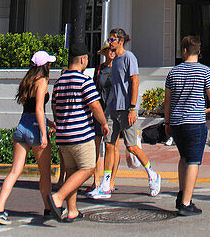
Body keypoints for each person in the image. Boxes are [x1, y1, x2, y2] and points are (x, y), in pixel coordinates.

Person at [164, 35, 210, 217]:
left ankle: (182, 194)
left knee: (183, 157)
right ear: (198, 52)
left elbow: (167, 101)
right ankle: (186, 202)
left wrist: (167, 122)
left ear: (184, 51)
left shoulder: (173, 72)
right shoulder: (204, 72)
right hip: (195, 122)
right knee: (194, 160)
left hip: (176, 122)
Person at [92, 28, 161, 200]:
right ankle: (106, 184)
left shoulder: (129, 57)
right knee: (109, 144)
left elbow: (135, 82)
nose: (110, 42)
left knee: (131, 146)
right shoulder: (114, 60)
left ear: (121, 41)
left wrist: (132, 107)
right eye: (110, 39)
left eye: (113, 39)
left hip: (125, 108)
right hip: (111, 108)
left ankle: (152, 174)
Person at [0, 50, 56, 224]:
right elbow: (39, 109)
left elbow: (30, 109)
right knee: (45, 174)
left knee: (14, 171)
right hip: (35, 128)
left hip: (22, 126)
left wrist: (48, 123)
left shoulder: (28, 81)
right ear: (46, 66)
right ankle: (49, 208)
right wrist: (43, 133)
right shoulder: (42, 82)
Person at [48, 50, 110, 223]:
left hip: (63, 135)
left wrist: (59, 123)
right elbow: (94, 105)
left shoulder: (59, 82)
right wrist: (104, 123)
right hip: (81, 134)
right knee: (88, 168)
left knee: (72, 171)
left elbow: (54, 107)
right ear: (82, 59)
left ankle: (73, 210)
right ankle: (58, 198)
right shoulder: (84, 81)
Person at [84, 43, 120, 198]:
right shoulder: (99, 69)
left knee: (113, 146)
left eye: (113, 50)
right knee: (96, 146)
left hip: (114, 111)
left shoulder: (119, 68)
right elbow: (94, 89)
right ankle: (96, 181)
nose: (112, 52)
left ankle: (111, 181)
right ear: (104, 52)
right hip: (100, 110)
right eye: (109, 50)